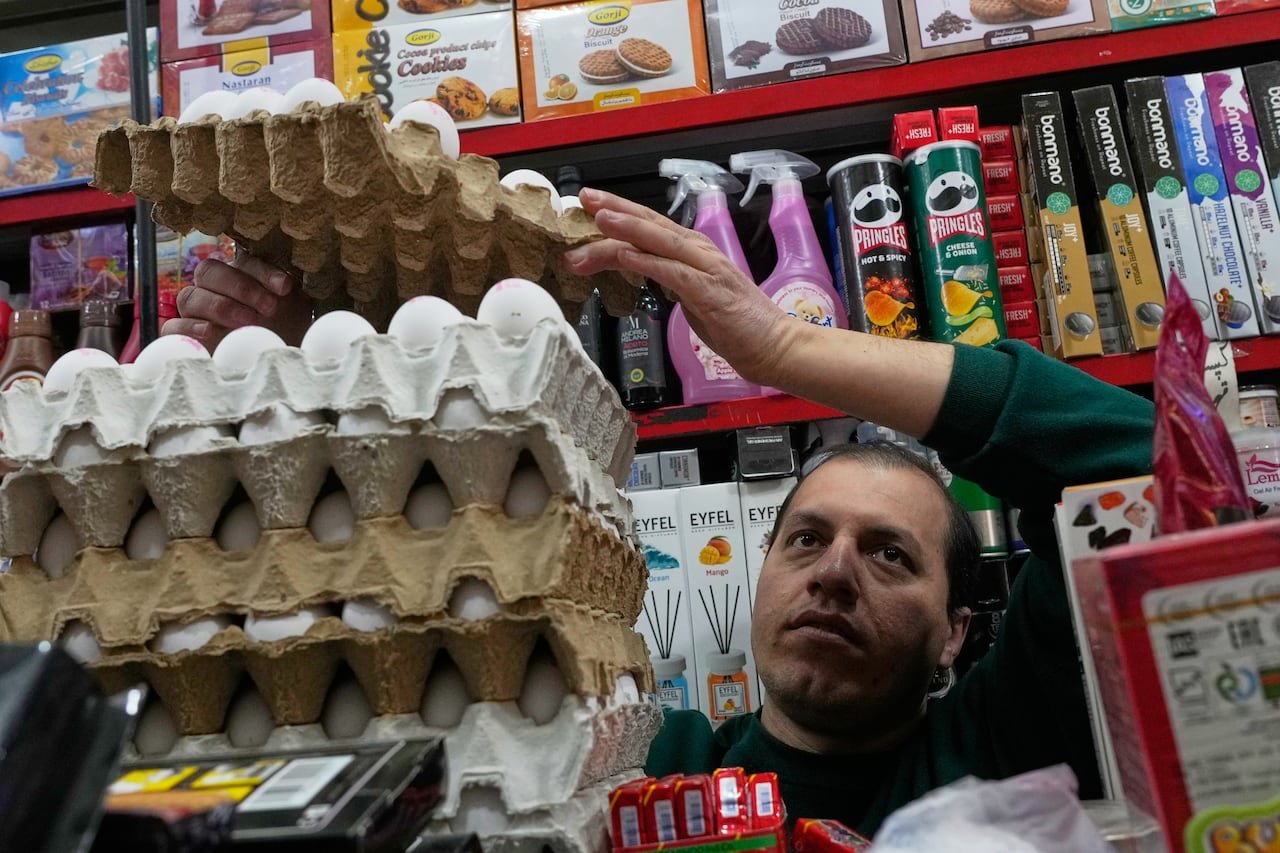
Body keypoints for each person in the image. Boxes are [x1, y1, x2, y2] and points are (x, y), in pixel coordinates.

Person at [171, 188, 1156, 838]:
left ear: (955, 632)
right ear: (758, 579)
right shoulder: (649, 764)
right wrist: (310, 384)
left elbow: (1133, 456)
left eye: (890, 554)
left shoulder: (1008, 739)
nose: (834, 569)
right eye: (804, 538)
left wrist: (782, 351)